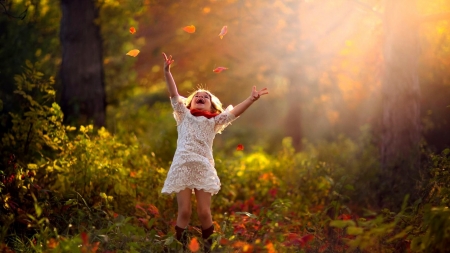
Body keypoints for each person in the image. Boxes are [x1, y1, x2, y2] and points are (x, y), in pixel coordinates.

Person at [161, 53, 268, 252]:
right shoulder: (183, 116)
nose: (201, 98)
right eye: (197, 97)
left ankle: (209, 248)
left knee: (204, 212)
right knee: (184, 211)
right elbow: (174, 94)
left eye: (205, 97)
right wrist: (167, 72)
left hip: (202, 166)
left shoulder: (214, 122)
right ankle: (179, 247)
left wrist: (251, 99)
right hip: (182, 165)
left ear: (212, 105)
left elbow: (234, 112)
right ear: (189, 104)